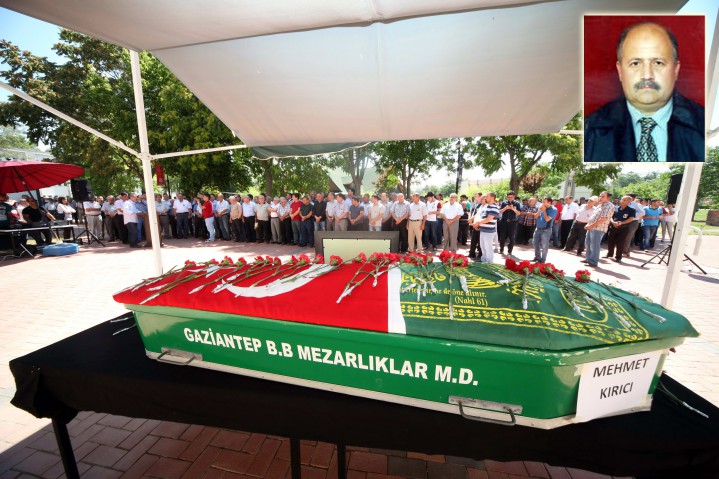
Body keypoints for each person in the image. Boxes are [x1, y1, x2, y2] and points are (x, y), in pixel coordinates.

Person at [584, 22, 704, 162]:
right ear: (620, 71)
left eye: (658, 63)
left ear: (676, 70)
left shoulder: (704, 125)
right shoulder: (590, 130)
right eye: (635, 63)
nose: (647, 75)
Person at [583, 192, 614, 267]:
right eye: (600, 196)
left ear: (608, 198)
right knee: (588, 243)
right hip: (592, 227)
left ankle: (593, 261)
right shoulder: (600, 205)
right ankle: (588, 259)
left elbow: (603, 218)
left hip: (598, 228)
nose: (600, 198)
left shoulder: (609, 205)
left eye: (603, 196)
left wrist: (591, 225)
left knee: (594, 246)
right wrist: (589, 224)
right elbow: (594, 216)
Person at [605, 195, 636, 262]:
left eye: (624, 200)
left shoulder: (631, 210)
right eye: (622, 199)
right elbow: (610, 216)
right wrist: (613, 222)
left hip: (623, 228)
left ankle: (618, 257)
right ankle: (610, 254)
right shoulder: (615, 208)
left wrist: (621, 223)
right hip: (613, 227)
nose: (622, 201)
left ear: (629, 202)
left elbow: (631, 219)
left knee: (620, 243)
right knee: (610, 241)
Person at [472, 192, 500, 263]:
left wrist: (478, 223)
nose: (485, 198)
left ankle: (489, 262)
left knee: (488, 248)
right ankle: (484, 261)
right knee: (483, 247)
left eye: (487, 197)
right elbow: (481, 216)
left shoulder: (494, 207)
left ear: (492, 197)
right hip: (483, 230)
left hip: (489, 231)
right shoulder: (486, 206)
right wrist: (477, 224)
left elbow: (488, 219)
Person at [531, 197, 557, 263]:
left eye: (544, 202)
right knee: (535, 243)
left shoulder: (553, 209)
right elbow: (536, 217)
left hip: (546, 230)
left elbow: (547, 219)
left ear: (549, 202)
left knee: (544, 245)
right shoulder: (542, 208)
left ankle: (543, 259)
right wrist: (539, 210)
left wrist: (544, 211)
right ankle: (537, 257)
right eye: (542, 202)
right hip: (538, 229)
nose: (542, 203)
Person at [497, 191, 521, 256]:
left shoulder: (517, 203)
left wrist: (513, 209)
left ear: (514, 196)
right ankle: (501, 249)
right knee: (502, 237)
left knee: (511, 237)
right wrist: (506, 208)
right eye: (508, 197)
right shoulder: (504, 203)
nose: (509, 198)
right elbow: (500, 211)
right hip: (504, 221)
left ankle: (510, 251)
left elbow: (519, 213)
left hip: (512, 222)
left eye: (511, 197)